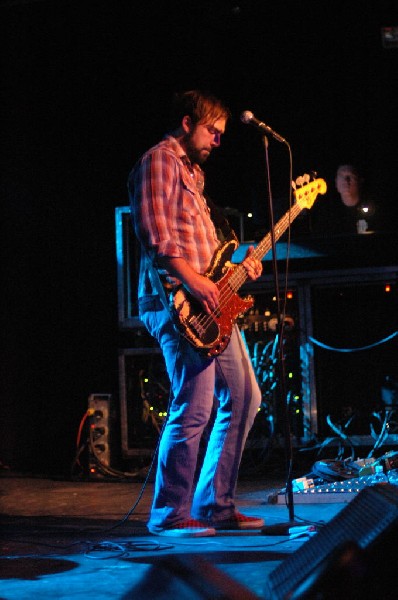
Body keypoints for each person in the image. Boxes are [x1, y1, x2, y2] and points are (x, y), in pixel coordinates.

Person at [128, 90, 264, 537]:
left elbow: (206, 247)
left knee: (245, 397)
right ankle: (169, 513)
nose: (217, 142)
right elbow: (157, 238)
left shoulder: (193, 172)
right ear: (187, 122)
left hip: (210, 299)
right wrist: (195, 281)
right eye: (213, 132)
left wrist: (239, 270)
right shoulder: (159, 161)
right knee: (195, 406)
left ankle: (214, 505)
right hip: (177, 301)